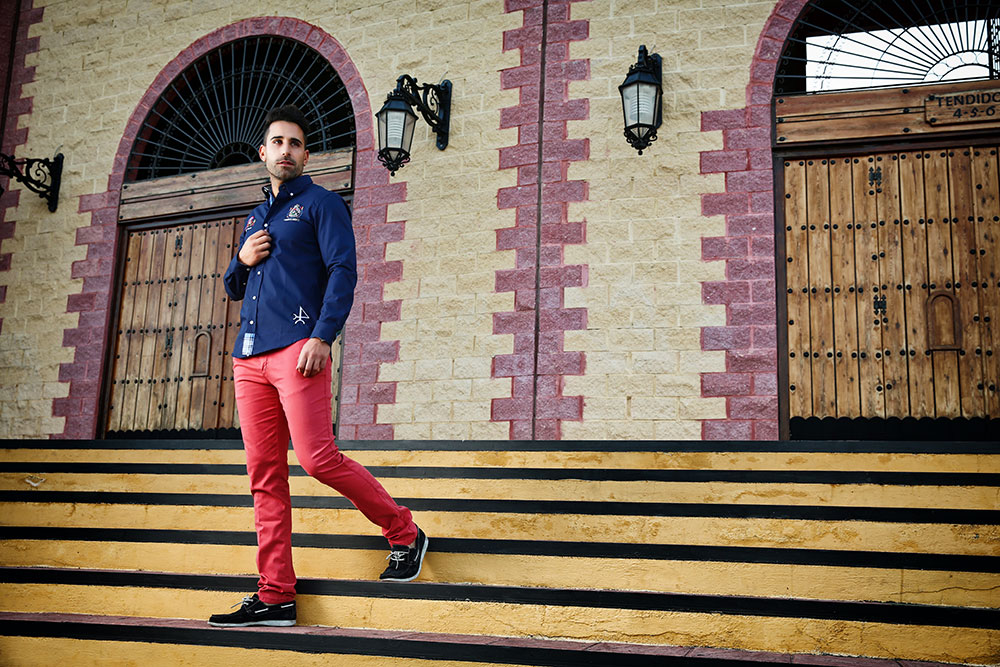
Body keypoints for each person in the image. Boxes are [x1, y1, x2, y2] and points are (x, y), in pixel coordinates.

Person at [208, 105, 428, 628]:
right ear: (262, 153)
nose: (285, 150)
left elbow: (343, 271)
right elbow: (234, 287)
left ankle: (404, 532)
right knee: (264, 476)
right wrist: (241, 259)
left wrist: (323, 336)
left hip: (298, 347)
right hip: (249, 357)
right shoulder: (255, 219)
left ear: (306, 155)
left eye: (294, 143)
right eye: (277, 142)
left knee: (316, 458)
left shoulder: (322, 205)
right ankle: (276, 595)